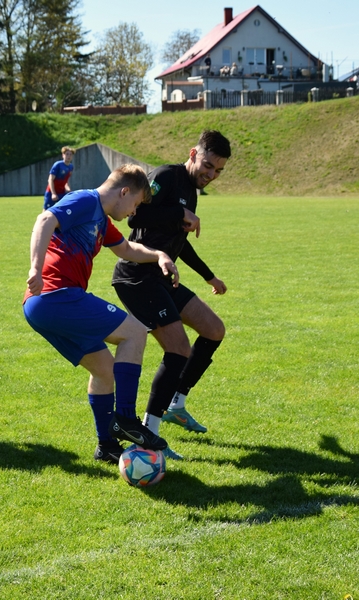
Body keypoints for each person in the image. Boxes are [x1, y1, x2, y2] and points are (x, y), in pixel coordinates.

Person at [24, 165, 180, 464]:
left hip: (44, 305)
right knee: (135, 332)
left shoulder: (102, 220)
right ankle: (126, 418)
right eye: (135, 204)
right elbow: (45, 219)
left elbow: (126, 249)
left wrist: (159, 255)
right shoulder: (86, 200)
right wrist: (35, 268)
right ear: (124, 192)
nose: (134, 212)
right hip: (56, 296)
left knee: (105, 370)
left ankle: (107, 445)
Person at [111, 130, 231, 460]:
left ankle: (177, 404)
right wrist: (180, 214)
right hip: (137, 277)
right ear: (193, 154)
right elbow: (135, 215)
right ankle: (147, 434)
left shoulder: (190, 191)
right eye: (208, 166)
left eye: (218, 171)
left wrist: (209, 275)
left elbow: (180, 240)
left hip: (163, 277)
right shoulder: (166, 176)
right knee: (178, 349)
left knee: (214, 330)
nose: (211, 175)